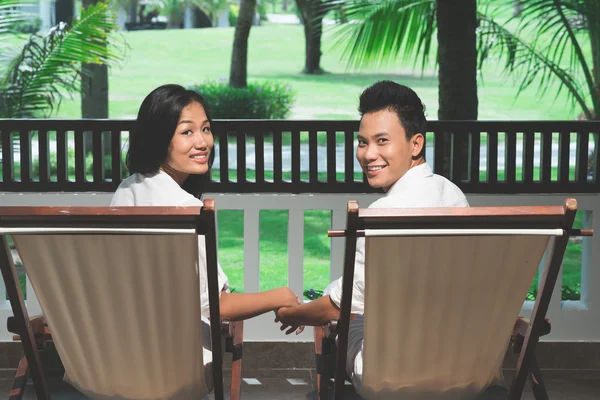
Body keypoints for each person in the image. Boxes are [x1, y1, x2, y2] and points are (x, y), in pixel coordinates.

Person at [274, 80, 470, 391]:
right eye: (363, 142)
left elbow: (341, 305)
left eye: (382, 141)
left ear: (416, 144)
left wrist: (292, 313)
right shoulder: (454, 195)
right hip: (468, 366)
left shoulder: (385, 212)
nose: (368, 154)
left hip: (393, 372)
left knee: (343, 323)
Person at [111, 84, 303, 333]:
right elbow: (214, 305)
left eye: (205, 129)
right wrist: (282, 296)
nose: (202, 142)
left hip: (118, 348)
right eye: (187, 132)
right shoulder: (184, 208)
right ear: (159, 138)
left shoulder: (126, 190)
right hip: (173, 354)